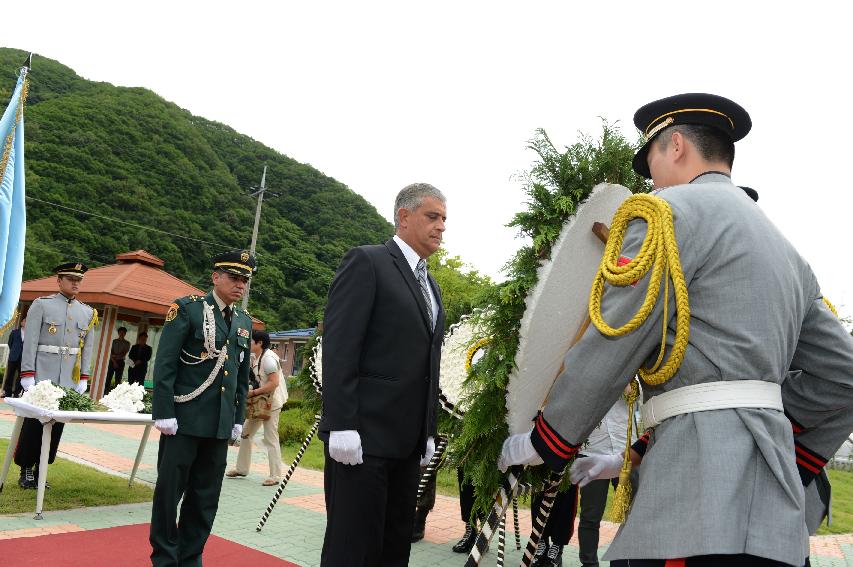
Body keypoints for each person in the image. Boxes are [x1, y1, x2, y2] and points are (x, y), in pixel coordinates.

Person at [498, 93, 853, 567]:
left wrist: (547, 438)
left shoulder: (665, 215)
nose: (651, 178)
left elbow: (614, 341)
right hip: (775, 521)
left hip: (691, 509)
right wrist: (772, 436)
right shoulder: (789, 254)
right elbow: (845, 376)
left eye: (651, 161)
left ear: (677, 146)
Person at [319, 182, 447, 567]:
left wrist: (427, 431)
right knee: (353, 550)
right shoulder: (368, 262)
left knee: (394, 550)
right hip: (363, 441)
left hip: (407, 446)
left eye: (444, 219)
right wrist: (341, 423)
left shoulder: (432, 287)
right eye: (432, 216)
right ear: (404, 217)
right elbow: (340, 346)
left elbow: (428, 365)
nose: (441, 226)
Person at [149, 249, 255, 567]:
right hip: (183, 420)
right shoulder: (187, 310)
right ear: (216, 277)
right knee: (170, 495)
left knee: (205, 498)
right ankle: (165, 559)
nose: (240, 285)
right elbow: (165, 365)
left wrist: (237, 419)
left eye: (245, 280)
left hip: (219, 425)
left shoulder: (243, 322)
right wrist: (164, 412)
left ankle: (190, 557)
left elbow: (240, 378)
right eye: (234, 278)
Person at [15, 263, 96, 489]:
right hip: (42, 374)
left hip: (67, 379)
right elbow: (30, 341)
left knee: (57, 425)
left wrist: (84, 377)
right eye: (70, 278)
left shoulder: (87, 312)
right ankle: (26, 468)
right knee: (33, 423)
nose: (75, 283)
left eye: (78, 279)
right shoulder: (42, 305)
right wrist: (28, 373)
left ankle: (42, 468)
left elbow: (87, 348)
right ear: (59, 281)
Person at [226, 329, 287, 485]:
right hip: (261, 403)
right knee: (246, 434)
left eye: (251, 341)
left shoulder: (268, 359)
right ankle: (242, 469)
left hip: (271, 404)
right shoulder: (256, 357)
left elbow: (274, 383)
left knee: (270, 438)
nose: (249, 343)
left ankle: (275, 476)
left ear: (259, 343)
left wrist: (253, 393)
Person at [1, 315, 25, 398]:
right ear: (21, 323)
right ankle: (7, 392)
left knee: (21, 376)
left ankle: (16, 393)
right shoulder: (14, 332)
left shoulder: (30, 334)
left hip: (23, 358)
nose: (26, 323)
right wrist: (14, 351)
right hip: (13, 357)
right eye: (24, 321)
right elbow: (10, 343)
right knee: (10, 375)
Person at [103, 326, 130, 395]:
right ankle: (105, 392)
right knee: (108, 377)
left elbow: (124, 353)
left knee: (118, 379)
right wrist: (114, 360)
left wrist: (116, 357)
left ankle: (116, 394)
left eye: (123, 333)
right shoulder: (113, 341)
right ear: (118, 333)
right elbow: (110, 352)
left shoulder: (127, 343)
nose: (122, 334)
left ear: (125, 334)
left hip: (120, 362)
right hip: (112, 361)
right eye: (121, 332)